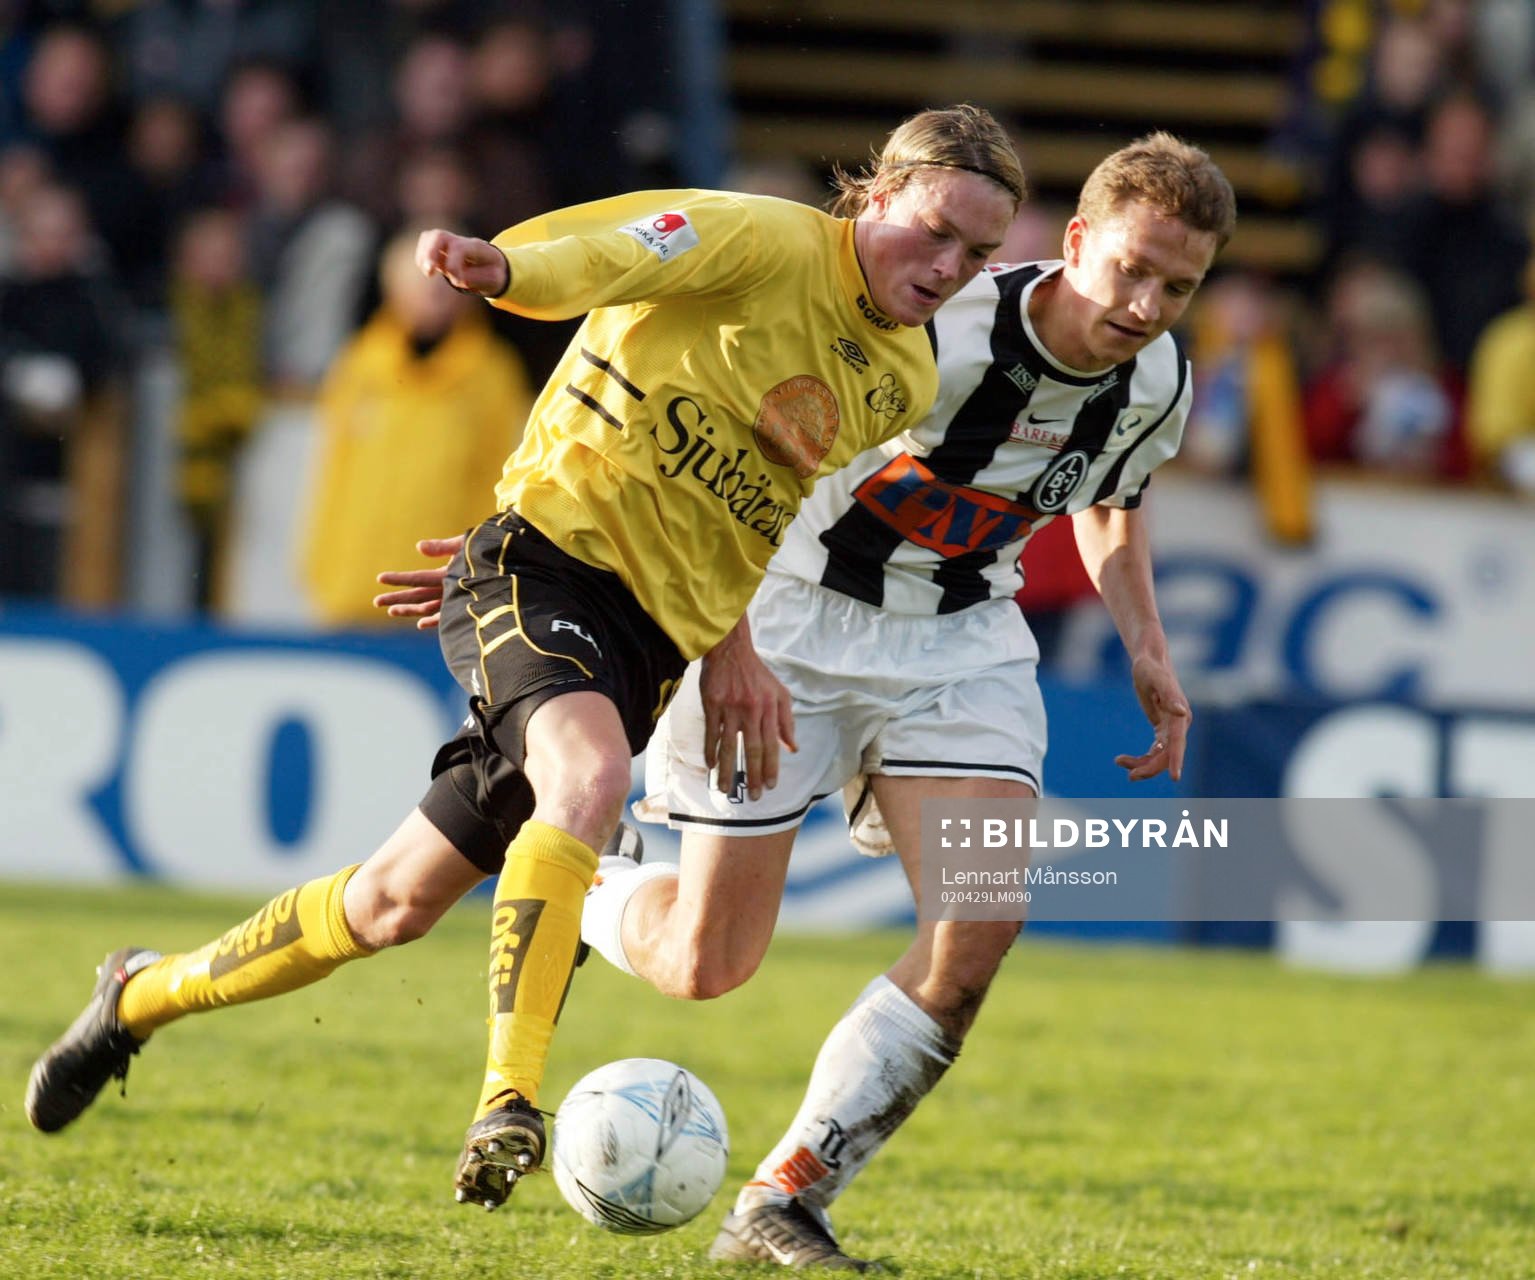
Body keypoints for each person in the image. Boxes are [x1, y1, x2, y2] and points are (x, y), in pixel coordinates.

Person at [23, 104, 1024, 1216]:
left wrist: (732, 646)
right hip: (540, 566)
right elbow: (614, 248)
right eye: (932, 231)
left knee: (391, 903)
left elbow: (753, 503)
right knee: (587, 779)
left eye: (976, 254)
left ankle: (134, 994)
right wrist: (504, 269)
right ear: (875, 195)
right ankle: (508, 1099)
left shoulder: (897, 375)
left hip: (646, 642)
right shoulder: (762, 239)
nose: (946, 267)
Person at [379, 132, 1236, 1269]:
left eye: (1176, 285)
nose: (1145, 303)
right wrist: (539, 549)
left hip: (961, 645)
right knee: (704, 963)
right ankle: (583, 872)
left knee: (980, 918)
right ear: (1075, 240)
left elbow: (1113, 499)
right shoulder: (935, 320)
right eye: (1130, 267)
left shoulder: (1160, 377)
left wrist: (1148, 650)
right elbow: (716, 452)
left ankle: (787, 1194)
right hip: (785, 619)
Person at [299, 227, 533, 627]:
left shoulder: (493, 375)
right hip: (354, 589)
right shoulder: (360, 365)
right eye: (421, 282)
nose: (433, 294)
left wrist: (484, 574)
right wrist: (321, 565)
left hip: (446, 594)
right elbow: (334, 471)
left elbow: (503, 479)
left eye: (444, 284)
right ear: (392, 288)